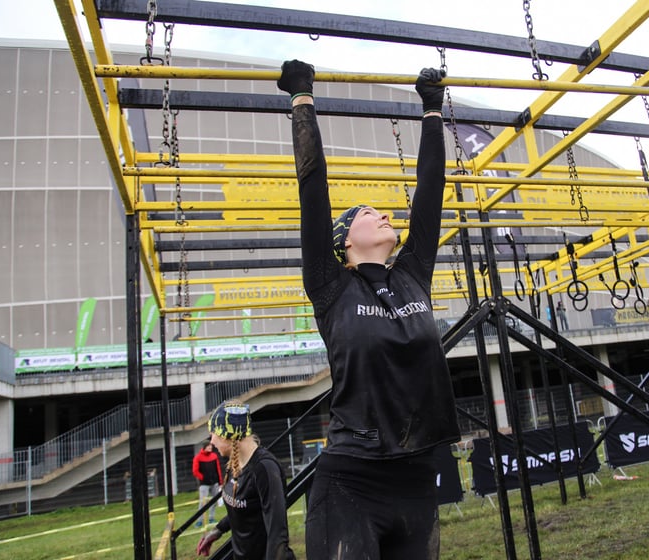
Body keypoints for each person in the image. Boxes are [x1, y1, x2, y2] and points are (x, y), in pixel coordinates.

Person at [277, 60, 460, 560]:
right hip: (352, 481)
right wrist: (302, 99)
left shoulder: (411, 274)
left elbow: (430, 189)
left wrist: (430, 109)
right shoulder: (331, 285)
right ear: (344, 241)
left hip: (419, 478)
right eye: (366, 213)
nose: (382, 213)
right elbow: (312, 188)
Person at [196, 402, 296, 560]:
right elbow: (244, 508)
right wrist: (218, 530)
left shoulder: (264, 469)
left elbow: (277, 534)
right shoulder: (233, 464)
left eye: (214, 433)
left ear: (228, 434)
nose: (212, 441)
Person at [192, 438, 223, 526]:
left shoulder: (214, 456)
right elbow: (195, 471)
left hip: (214, 483)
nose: (210, 448)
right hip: (204, 484)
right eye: (209, 446)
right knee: (202, 503)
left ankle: (211, 518)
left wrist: (220, 481)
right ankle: (199, 521)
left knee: (214, 501)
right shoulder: (198, 457)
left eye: (211, 446)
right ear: (204, 447)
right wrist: (203, 478)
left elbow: (218, 469)